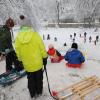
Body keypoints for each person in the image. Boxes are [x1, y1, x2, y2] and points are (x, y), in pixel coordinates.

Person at [15, 15, 48, 99]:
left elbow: (18, 50)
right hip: (37, 63)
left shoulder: (18, 37)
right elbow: (42, 47)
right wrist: (44, 57)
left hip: (27, 65)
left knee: (30, 80)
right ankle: (39, 91)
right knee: (39, 79)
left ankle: (32, 94)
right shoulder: (35, 35)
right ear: (29, 25)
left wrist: (20, 60)